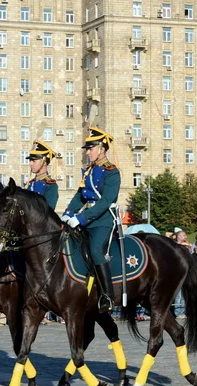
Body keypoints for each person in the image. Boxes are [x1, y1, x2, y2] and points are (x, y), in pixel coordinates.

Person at [62, 127, 120, 313]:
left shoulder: (112, 172)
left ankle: (107, 296)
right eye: (87, 149)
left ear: (102, 148)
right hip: (86, 220)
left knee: (95, 250)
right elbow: (80, 196)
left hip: (103, 221)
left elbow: (105, 201)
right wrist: (68, 212)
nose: (88, 152)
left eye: (91, 148)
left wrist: (81, 217)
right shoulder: (88, 171)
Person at [24, 139, 59, 210]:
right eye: (30, 161)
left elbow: (47, 213)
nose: (30, 164)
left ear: (44, 162)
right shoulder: (30, 184)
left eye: (33, 161)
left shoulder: (50, 186)